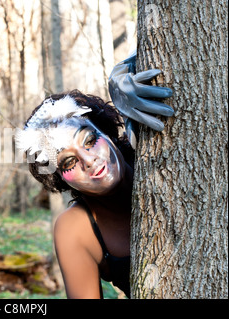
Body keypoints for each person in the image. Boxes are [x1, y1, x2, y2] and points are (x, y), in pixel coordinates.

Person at [15, 52, 173, 298]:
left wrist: (126, 66)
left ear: (107, 132)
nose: (89, 160)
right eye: (68, 161)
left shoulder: (152, 143)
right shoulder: (76, 229)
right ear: (58, 177)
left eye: (89, 140)